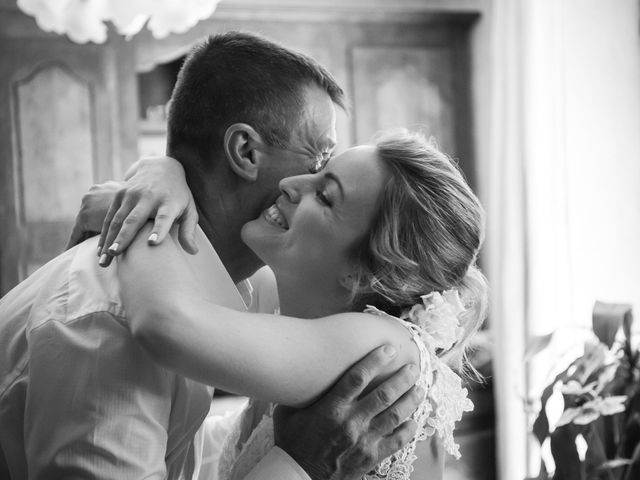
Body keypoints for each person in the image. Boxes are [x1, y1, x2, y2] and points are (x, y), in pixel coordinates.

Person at [0, 32, 423, 480]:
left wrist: (156, 168)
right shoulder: (113, 323)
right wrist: (302, 463)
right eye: (318, 160)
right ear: (245, 152)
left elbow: (180, 448)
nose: (308, 184)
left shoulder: (225, 285)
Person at [84, 128, 488, 480]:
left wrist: (138, 215)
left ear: (365, 273)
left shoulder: (385, 350)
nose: (292, 183)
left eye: (325, 196)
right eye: (316, 171)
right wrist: (162, 172)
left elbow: (166, 326)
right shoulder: (311, 312)